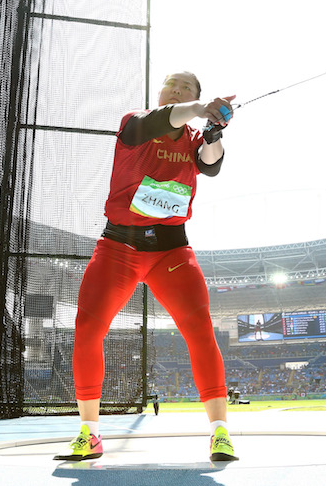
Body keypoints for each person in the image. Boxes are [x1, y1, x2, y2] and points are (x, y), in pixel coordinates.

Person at [54, 72, 238, 462]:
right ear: (161, 93)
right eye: (171, 85)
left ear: (196, 95)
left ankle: (220, 433)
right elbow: (165, 118)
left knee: (200, 330)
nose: (176, 90)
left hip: (171, 253)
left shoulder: (193, 138)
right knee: (88, 327)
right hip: (118, 247)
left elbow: (210, 164)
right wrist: (198, 108)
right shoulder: (135, 124)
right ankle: (89, 433)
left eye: (185, 87)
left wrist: (213, 134)